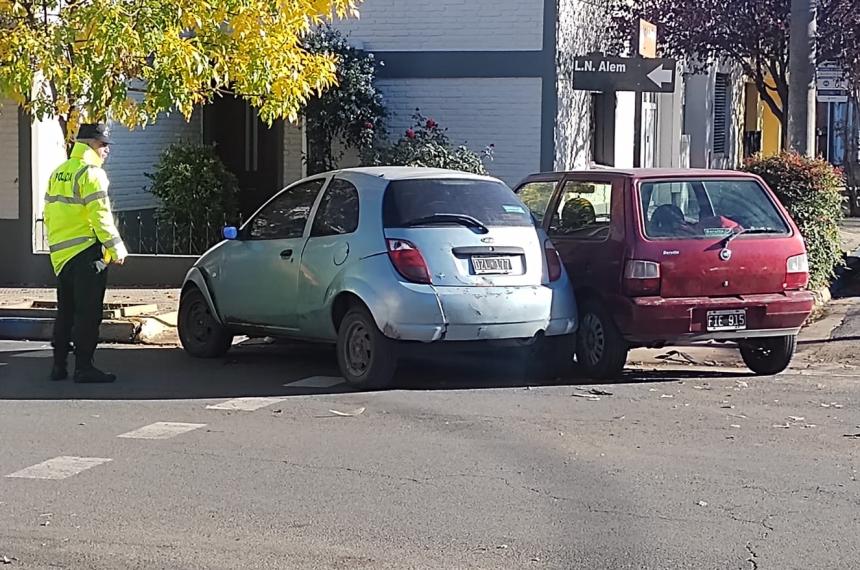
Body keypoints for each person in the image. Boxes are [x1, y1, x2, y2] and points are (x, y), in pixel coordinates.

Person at [43, 123, 128, 383]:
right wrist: (116, 247)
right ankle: (83, 368)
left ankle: (58, 366)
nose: (107, 150)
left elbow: (49, 213)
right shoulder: (91, 174)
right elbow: (101, 215)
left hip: (62, 256)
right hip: (87, 254)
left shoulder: (59, 172)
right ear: (90, 144)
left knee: (65, 311)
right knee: (88, 313)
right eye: (103, 144)